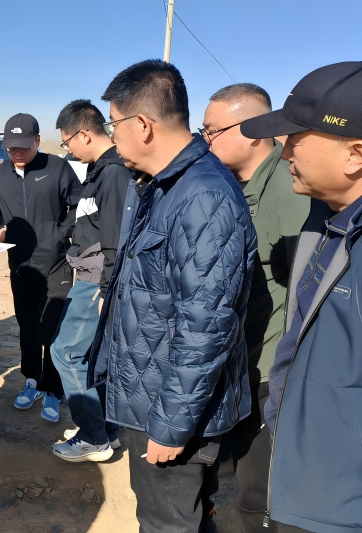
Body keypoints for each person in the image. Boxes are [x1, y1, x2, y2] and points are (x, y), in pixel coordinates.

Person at [87, 59, 256, 533]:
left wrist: (170, 425)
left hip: (170, 411)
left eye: (114, 124)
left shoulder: (202, 196)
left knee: (167, 524)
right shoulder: (167, 185)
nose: (112, 137)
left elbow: (207, 326)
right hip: (153, 394)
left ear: (142, 125)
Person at [240, 62, 362, 533]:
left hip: (338, 502)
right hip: (298, 469)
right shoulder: (324, 218)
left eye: (296, 137)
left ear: (355, 155)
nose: (284, 150)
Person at [201, 83, 310, 532]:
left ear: (251, 131)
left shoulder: (289, 192)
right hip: (237, 364)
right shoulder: (233, 185)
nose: (204, 139)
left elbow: (305, 292)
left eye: (211, 130)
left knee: (255, 495)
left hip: (266, 373)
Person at [0, 112, 82, 422]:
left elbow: (78, 204)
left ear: (37, 140)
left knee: (53, 328)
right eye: (11, 147)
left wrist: (60, 233)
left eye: (23, 146)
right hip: (21, 265)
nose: (17, 152)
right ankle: (32, 381)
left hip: (56, 264)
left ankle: (53, 389)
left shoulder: (57, 168)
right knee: (27, 326)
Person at [48, 100, 131, 462]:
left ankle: (93, 436)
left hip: (96, 277)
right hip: (90, 273)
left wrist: (105, 291)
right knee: (88, 355)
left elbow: (115, 240)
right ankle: (105, 429)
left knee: (65, 352)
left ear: (83, 134)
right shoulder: (100, 171)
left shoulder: (113, 175)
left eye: (67, 142)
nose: (68, 150)